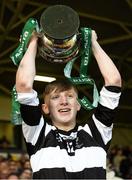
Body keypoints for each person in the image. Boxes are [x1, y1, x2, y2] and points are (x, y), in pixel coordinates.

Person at [15, 29, 122, 179]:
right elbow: (24, 86)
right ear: (45, 108)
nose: (64, 101)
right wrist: (33, 42)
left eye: (70, 96)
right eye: (55, 97)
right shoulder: (37, 134)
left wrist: (93, 42)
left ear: (78, 105)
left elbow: (114, 82)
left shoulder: (97, 133)